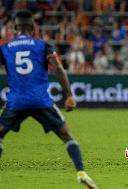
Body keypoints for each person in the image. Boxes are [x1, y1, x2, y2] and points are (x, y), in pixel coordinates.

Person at [0, 10, 98, 189]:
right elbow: (58, 68)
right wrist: (69, 95)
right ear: (33, 27)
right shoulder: (43, 45)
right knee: (66, 135)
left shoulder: (5, 47)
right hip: (41, 100)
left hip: (16, 101)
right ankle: (81, 172)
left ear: (15, 28)